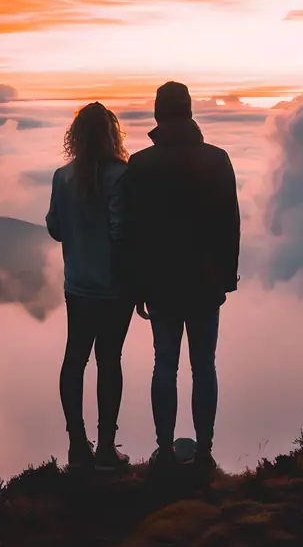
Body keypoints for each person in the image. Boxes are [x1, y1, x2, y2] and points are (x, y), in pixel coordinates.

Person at [112, 81, 240, 472]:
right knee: (204, 366)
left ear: (157, 114)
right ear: (189, 111)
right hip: (205, 282)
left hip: (160, 285)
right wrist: (227, 278)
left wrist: (136, 286)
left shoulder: (141, 165)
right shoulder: (217, 160)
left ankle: (164, 452)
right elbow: (229, 224)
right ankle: (204, 453)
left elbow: (131, 231)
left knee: (164, 364)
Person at [46, 102, 134, 472]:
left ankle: (77, 446)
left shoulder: (62, 176)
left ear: (76, 136)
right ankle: (106, 449)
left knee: (74, 359)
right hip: (115, 288)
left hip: (78, 285)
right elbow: (122, 233)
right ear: (112, 134)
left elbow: (55, 228)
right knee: (109, 361)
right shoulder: (121, 176)